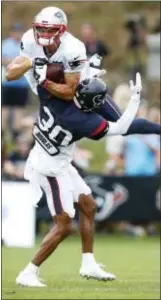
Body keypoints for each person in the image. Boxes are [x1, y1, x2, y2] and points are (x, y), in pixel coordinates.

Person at [5, 6, 157, 287]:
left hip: (57, 157)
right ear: (89, 103)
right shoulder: (80, 120)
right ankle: (29, 271)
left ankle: (88, 263)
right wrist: (134, 100)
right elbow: (124, 126)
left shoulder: (57, 96)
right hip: (48, 166)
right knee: (64, 224)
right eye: (97, 101)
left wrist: (42, 75)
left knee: (87, 204)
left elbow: (55, 84)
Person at [2, 23, 29, 138]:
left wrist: (14, 62)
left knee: (19, 110)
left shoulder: (26, 45)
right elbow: (3, 60)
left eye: (20, 32)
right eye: (16, 32)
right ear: (12, 33)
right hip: (7, 83)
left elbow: (28, 61)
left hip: (22, 84)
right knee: (5, 109)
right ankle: (2, 134)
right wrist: (18, 63)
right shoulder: (6, 44)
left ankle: (16, 135)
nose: (18, 34)